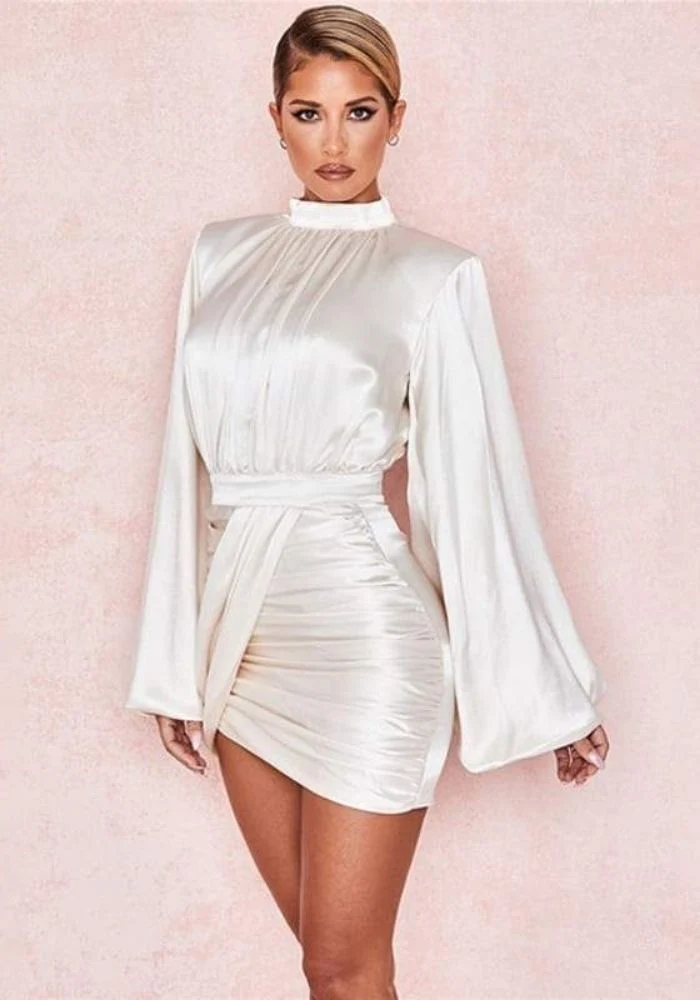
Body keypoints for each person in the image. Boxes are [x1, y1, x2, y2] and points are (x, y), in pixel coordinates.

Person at [125, 5, 611, 997]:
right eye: (309, 112)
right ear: (274, 118)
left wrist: (550, 689)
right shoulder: (217, 255)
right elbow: (184, 468)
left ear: (398, 117)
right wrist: (170, 664)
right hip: (238, 643)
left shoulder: (435, 274)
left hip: (365, 639)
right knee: (323, 968)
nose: (335, 141)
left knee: (345, 963)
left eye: (360, 111)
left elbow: (476, 487)